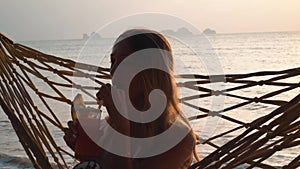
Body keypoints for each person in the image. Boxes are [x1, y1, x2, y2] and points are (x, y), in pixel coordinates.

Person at [64, 29, 199, 169]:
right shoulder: (108, 128)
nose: (113, 71)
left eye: (125, 63)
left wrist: (121, 128)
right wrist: (86, 152)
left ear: (150, 71)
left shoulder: (177, 138)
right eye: (113, 61)